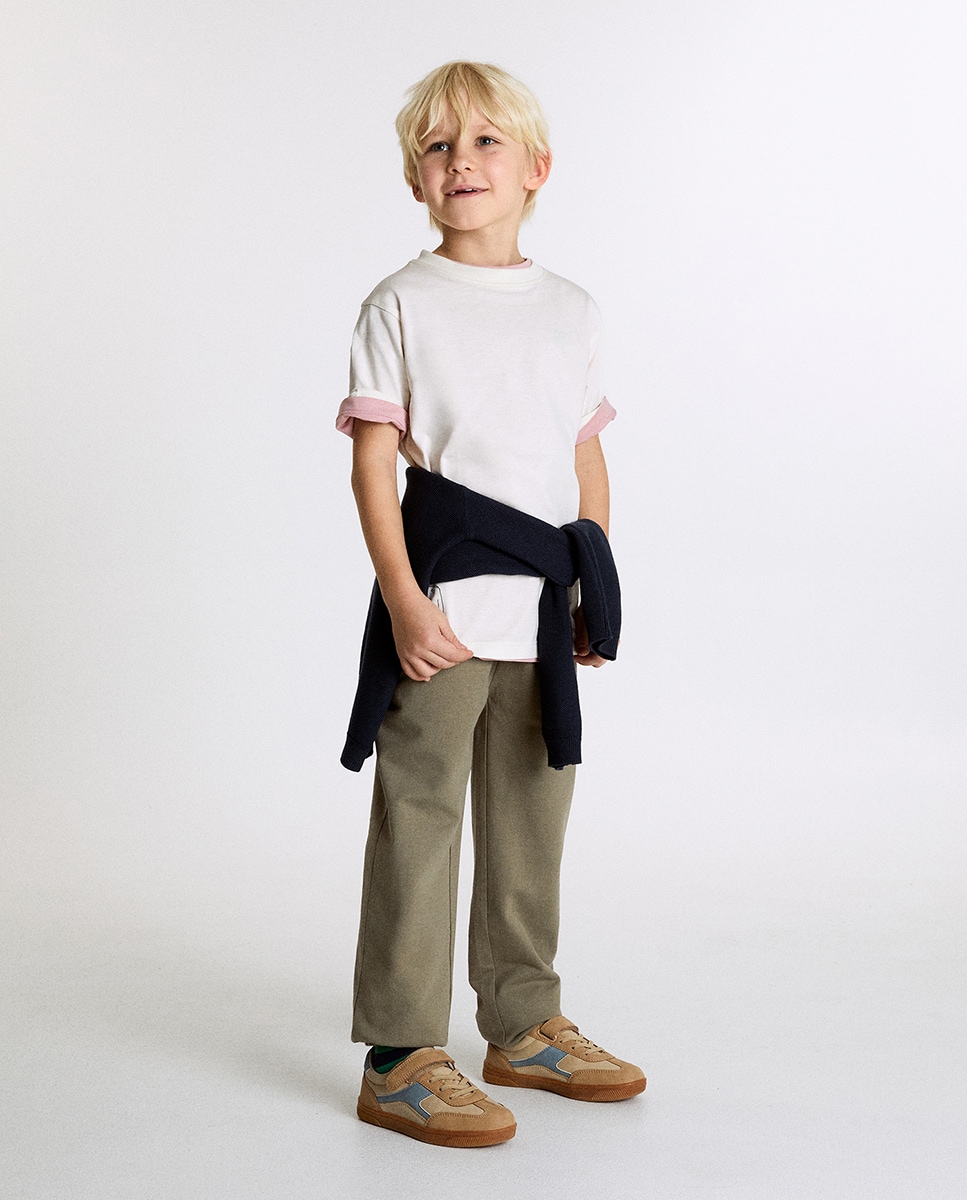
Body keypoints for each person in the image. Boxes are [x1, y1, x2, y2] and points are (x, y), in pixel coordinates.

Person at [336, 61, 645, 1148]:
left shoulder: (572, 310)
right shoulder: (401, 303)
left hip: (541, 615)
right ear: (414, 178)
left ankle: (521, 1023)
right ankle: (399, 1054)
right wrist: (403, 600)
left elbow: (583, 456)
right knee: (419, 815)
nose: (459, 162)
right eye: (436, 147)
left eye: (483, 143)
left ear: (536, 169)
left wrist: (590, 584)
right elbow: (375, 466)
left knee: (529, 817)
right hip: (446, 608)